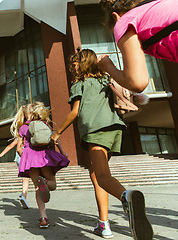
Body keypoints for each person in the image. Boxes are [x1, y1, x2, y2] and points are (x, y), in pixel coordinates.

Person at [51, 49, 153, 240]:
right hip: (114, 130)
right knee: (97, 175)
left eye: (74, 65)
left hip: (96, 131)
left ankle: (127, 198)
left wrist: (56, 133)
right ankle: (103, 224)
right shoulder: (106, 80)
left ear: (82, 65)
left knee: (103, 176)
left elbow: (74, 112)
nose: (71, 68)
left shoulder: (79, 84)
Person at [97, 0, 178, 93]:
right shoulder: (160, 3)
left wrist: (107, 66)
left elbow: (137, 82)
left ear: (115, 16)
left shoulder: (125, 20)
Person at [11, 102, 70, 228]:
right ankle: (46, 182)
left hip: (31, 161)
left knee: (38, 188)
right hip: (44, 157)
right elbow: (55, 139)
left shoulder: (23, 128)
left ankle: (43, 218)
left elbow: (18, 149)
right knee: (52, 184)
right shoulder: (45, 125)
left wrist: (26, 158)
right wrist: (62, 152)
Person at [0, 131, 30, 209]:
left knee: (26, 176)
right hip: (25, 158)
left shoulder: (19, 137)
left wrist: (1, 155)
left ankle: (23, 192)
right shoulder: (29, 137)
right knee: (26, 178)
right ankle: (24, 196)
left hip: (18, 159)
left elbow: (11, 146)